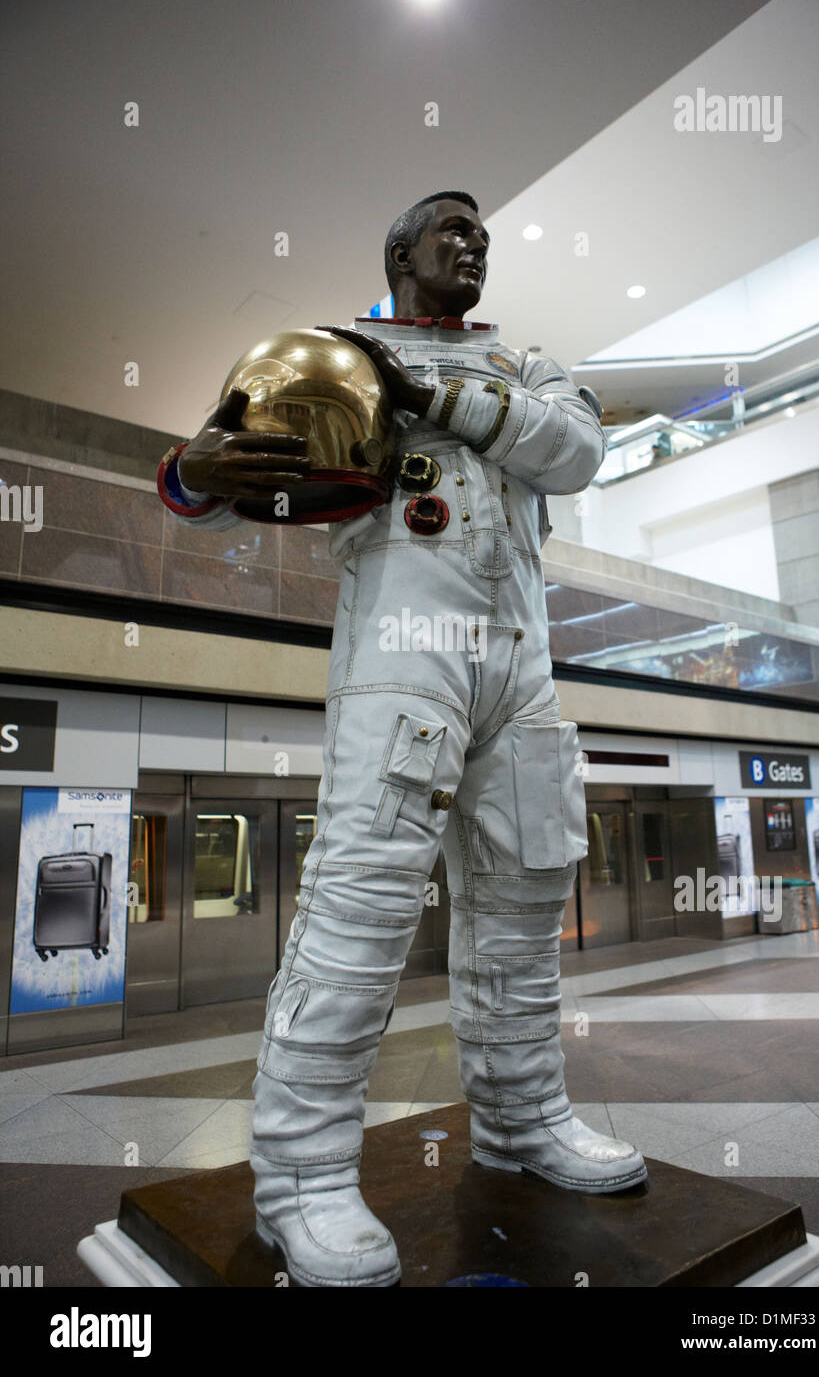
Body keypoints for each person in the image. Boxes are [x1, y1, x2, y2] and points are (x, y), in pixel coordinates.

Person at [158, 190, 647, 1288]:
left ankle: (521, 1124)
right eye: (449, 230)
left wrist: (440, 396)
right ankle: (299, 1179)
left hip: (518, 662)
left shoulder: (527, 363)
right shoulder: (335, 355)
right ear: (397, 253)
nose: (470, 245)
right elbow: (227, 479)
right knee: (361, 906)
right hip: (401, 654)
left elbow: (572, 453)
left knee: (525, 903)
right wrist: (193, 470)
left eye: (482, 234)